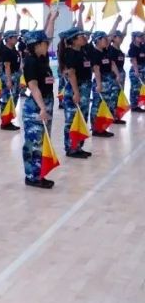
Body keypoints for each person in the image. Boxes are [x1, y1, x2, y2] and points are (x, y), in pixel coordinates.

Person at [21, 11, 58, 188]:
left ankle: (38, 173)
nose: (48, 44)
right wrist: (42, 108)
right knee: (34, 142)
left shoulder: (41, 57)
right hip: (36, 106)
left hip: (45, 102)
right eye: (45, 43)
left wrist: (52, 20)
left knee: (43, 140)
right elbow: (33, 86)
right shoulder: (30, 62)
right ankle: (32, 176)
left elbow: (47, 35)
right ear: (37, 45)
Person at [57, 26, 91, 158]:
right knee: (72, 120)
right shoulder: (70, 53)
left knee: (81, 118)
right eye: (81, 36)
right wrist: (76, 92)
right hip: (76, 88)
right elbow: (71, 74)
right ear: (74, 40)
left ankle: (78, 146)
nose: (84, 38)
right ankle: (71, 148)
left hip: (85, 88)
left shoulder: (83, 51)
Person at [87, 31, 116, 138]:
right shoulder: (95, 53)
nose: (107, 40)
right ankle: (96, 129)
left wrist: (117, 75)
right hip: (101, 81)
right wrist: (99, 84)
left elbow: (111, 64)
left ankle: (102, 128)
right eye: (104, 39)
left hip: (108, 81)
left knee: (105, 105)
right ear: (98, 40)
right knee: (97, 105)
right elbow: (96, 69)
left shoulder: (105, 51)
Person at [0, 30, 23, 129]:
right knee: (7, 99)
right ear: (8, 39)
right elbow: (7, 66)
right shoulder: (5, 50)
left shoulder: (13, 49)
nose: (17, 39)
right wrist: (8, 80)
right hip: (10, 76)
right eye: (15, 37)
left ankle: (8, 120)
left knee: (14, 98)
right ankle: (5, 122)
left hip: (16, 76)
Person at [108, 26, 127, 125]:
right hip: (115, 75)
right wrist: (117, 75)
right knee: (114, 95)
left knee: (119, 94)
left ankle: (116, 116)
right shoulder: (111, 50)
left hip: (121, 73)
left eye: (121, 37)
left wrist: (126, 24)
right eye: (119, 37)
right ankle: (112, 116)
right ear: (114, 38)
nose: (121, 39)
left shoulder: (119, 50)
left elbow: (124, 34)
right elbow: (112, 64)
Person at [129, 32, 145, 112]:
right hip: (136, 70)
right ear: (134, 38)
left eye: (141, 36)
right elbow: (133, 60)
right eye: (139, 36)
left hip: (143, 69)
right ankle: (134, 106)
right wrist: (136, 71)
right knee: (135, 88)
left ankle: (139, 104)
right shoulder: (133, 47)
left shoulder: (142, 46)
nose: (141, 37)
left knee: (141, 88)